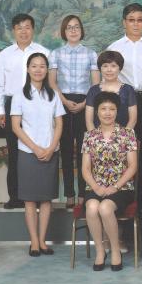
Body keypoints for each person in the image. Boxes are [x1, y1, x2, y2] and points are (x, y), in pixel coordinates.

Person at [107, 3, 142, 210]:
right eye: (131, 20)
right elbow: (109, 76)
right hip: (122, 98)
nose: (136, 24)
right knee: (123, 147)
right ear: (124, 22)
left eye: (139, 20)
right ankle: (122, 195)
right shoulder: (115, 48)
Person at [10, 53, 64, 257]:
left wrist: (51, 148)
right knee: (30, 200)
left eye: (42, 66)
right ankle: (33, 241)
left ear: (46, 70)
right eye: (34, 66)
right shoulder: (19, 95)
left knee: (46, 199)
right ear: (27, 69)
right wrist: (35, 148)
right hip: (28, 153)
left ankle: (43, 241)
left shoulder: (53, 95)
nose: (38, 70)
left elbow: (59, 124)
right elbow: (16, 126)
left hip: (51, 152)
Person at [0, 13, 50, 209]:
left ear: (33, 29)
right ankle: (15, 197)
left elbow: (50, 84)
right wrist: (0, 110)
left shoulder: (44, 52)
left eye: (27, 27)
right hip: (12, 106)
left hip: (38, 105)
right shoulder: (5, 54)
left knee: (36, 150)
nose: (23, 31)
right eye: (19, 28)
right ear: (13, 31)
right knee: (14, 153)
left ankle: (37, 197)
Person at [80, 92, 138, 271]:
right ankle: (100, 251)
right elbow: (85, 169)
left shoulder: (127, 134)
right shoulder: (89, 136)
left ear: (117, 111)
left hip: (122, 187)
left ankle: (115, 250)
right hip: (95, 186)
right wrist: (96, 187)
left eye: (111, 109)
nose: (107, 113)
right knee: (92, 207)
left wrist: (115, 186)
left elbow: (132, 166)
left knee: (105, 208)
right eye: (103, 109)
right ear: (97, 112)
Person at [48, 15, 100, 208]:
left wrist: (85, 103)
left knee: (85, 151)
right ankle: (69, 195)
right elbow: (52, 82)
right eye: (69, 27)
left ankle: (83, 196)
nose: (73, 30)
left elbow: (96, 84)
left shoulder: (91, 54)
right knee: (66, 150)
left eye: (76, 27)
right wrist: (64, 101)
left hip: (86, 103)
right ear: (64, 31)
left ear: (81, 30)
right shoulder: (55, 54)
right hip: (62, 102)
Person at [84, 51, 137, 131]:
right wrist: (95, 137)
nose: (109, 70)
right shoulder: (93, 90)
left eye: (113, 66)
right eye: (105, 66)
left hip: (124, 136)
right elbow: (89, 121)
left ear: (120, 68)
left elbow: (133, 120)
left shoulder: (128, 90)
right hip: (97, 137)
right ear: (100, 68)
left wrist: (123, 136)